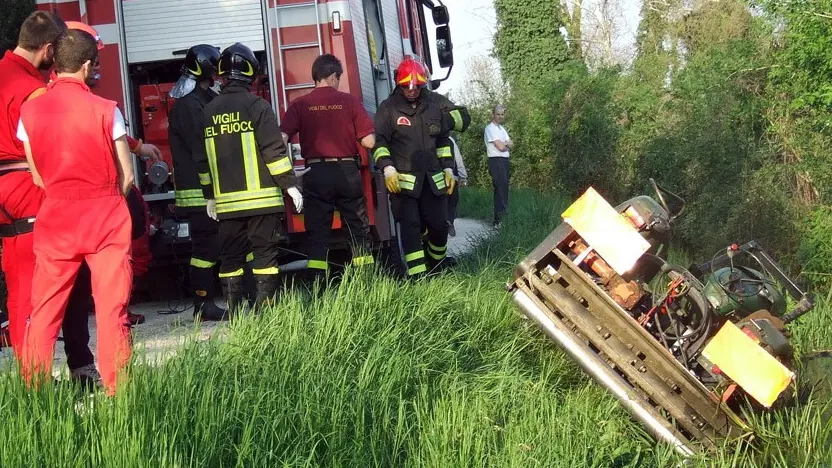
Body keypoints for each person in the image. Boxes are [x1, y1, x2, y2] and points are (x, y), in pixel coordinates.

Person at [18, 28, 135, 395]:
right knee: (111, 309)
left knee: (45, 312)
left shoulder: (29, 110)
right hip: (105, 217)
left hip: (56, 217)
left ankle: (35, 392)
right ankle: (118, 393)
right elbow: (128, 175)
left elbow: (36, 174)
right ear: (86, 66)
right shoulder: (106, 110)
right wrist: (109, 196)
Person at [0, 11, 101, 387]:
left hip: (7, 194)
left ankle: (35, 376)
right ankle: (65, 371)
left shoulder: (5, 73)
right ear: (46, 49)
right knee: (67, 274)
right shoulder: (33, 89)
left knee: (21, 285)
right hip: (29, 187)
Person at [196, 42, 302, 311]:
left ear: (221, 73)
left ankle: (235, 312)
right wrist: (290, 185)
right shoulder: (258, 106)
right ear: (250, 72)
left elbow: (202, 160)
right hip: (262, 201)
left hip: (227, 205)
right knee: (265, 255)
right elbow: (273, 151)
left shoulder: (207, 111)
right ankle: (266, 312)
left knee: (230, 258)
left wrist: (210, 197)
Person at [372, 56, 470, 278]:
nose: (412, 91)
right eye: (407, 86)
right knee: (411, 227)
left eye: (417, 86)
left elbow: (460, 121)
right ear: (399, 84)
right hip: (403, 185)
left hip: (433, 182)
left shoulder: (434, 102)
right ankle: (418, 277)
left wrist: (447, 167)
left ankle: (436, 264)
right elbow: (379, 143)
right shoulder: (388, 109)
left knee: (439, 226)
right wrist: (388, 168)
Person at [280, 54, 376, 275]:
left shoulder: (299, 104)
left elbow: (281, 138)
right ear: (333, 76)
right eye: (338, 77)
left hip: (316, 172)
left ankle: (318, 286)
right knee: (356, 228)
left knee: (317, 232)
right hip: (346, 172)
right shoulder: (350, 101)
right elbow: (369, 141)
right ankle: (367, 280)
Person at [167, 44, 229, 321]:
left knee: (214, 246)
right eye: (215, 67)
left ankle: (208, 302)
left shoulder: (198, 99)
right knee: (206, 248)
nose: (218, 73)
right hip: (199, 192)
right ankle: (203, 304)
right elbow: (201, 148)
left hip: (205, 190)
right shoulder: (190, 105)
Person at [484, 105, 512, 227]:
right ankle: (499, 221)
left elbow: (512, 143)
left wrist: (505, 144)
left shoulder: (502, 129)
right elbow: (500, 147)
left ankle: (501, 218)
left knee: (504, 189)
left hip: (504, 161)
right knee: (500, 189)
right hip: (496, 161)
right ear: (493, 115)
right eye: (498, 114)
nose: (500, 116)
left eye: (502, 114)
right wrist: (506, 144)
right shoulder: (490, 129)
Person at [446, 135, 468, 237]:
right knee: (452, 201)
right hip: (451, 177)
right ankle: (450, 221)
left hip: (433, 178)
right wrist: (463, 176)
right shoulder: (450, 139)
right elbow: (458, 159)